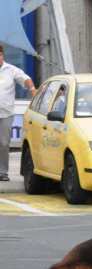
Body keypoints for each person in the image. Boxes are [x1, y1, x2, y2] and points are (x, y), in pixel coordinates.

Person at [0, 42, 37, 182]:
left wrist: (32, 89)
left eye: (0, 55)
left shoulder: (11, 70)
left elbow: (26, 79)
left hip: (5, 114)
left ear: (3, 55)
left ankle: (2, 172)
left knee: (3, 144)